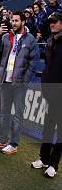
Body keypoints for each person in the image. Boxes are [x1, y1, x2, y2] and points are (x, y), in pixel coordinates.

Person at [0, 11, 38, 155]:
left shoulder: (31, 40)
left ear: (23, 22)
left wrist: (24, 81)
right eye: (12, 20)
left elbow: (33, 63)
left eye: (16, 20)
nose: (13, 23)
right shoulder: (5, 37)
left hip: (19, 84)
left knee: (18, 115)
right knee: (3, 112)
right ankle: (2, 139)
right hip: (5, 81)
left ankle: (14, 144)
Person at [32, 12, 62, 178]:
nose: (52, 24)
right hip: (50, 92)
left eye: (55, 22)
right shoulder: (50, 42)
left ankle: (54, 164)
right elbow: (49, 67)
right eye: (50, 22)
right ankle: (44, 158)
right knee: (48, 128)